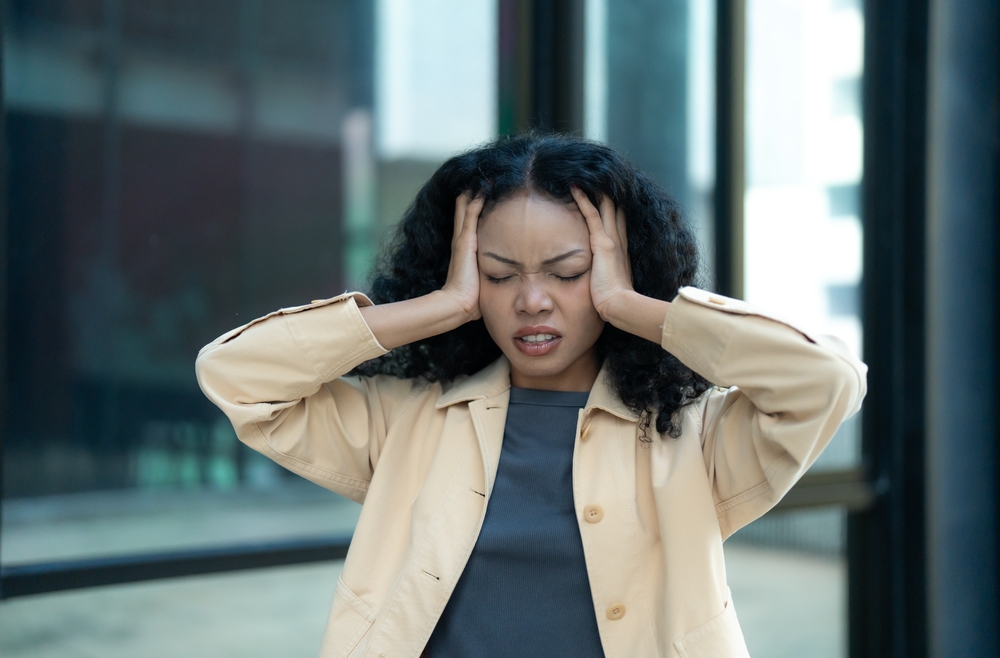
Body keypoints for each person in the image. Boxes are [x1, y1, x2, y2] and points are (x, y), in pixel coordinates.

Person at [196, 133, 867, 658]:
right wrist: (437, 307)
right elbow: (236, 375)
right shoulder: (408, 420)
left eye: (568, 272)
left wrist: (633, 305)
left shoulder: (689, 436)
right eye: (498, 273)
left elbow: (826, 382)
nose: (532, 300)